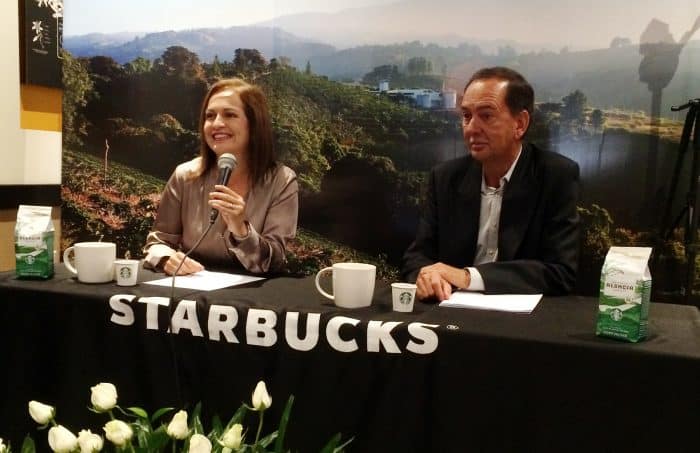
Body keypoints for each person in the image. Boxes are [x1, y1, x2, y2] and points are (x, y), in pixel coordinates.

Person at [402, 67, 580, 301]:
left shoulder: (555, 176)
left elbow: (560, 272)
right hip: (450, 314)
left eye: (486, 116)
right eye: (466, 116)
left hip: (524, 324)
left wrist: (468, 277)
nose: (472, 128)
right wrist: (425, 277)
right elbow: (417, 259)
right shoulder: (445, 177)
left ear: (520, 124)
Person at [143, 78, 298, 275]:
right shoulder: (185, 175)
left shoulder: (281, 180)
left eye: (230, 115)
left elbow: (274, 262)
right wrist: (166, 258)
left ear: (254, 124)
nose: (216, 124)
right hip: (192, 291)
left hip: (255, 298)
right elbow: (157, 243)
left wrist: (242, 230)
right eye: (210, 116)